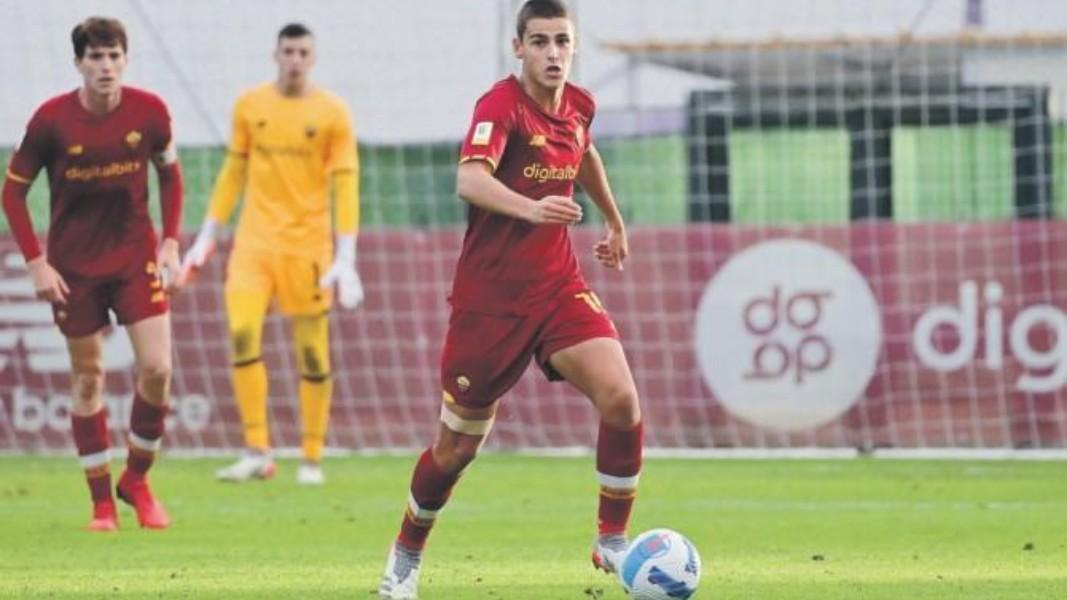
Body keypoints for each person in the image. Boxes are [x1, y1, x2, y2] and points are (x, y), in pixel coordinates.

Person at [378, 1, 642, 597]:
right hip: (489, 304)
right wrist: (535, 209)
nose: (553, 54)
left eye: (563, 42)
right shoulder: (499, 106)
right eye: (541, 42)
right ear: (518, 48)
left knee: (621, 397)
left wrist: (614, 221)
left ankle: (612, 539)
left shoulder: (579, 104)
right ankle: (405, 556)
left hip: (557, 288)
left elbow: (586, 152)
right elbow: (468, 179)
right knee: (454, 451)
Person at [1, 17, 183, 531]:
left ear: (125, 60)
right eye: (95, 57)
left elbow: (170, 174)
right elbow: (12, 192)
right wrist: (37, 262)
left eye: (113, 56)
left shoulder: (149, 112)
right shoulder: (51, 121)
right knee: (89, 377)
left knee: (158, 369)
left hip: (134, 259)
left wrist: (170, 241)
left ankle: (138, 481)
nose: (105, 66)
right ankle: (101, 502)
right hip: (74, 268)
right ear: (78, 63)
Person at [181, 23, 363, 486]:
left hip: (307, 247)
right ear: (276, 55)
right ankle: (256, 450)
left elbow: (346, 184)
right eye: (288, 51)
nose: (295, 59)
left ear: (313, 58)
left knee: (310, 352)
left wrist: (347, 256)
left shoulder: (333, 113)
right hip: (254, 244)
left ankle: (312, 456)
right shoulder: (250, 105)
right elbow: (232, 173)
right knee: (241, 333)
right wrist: (206, 236)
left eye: (303, 52)